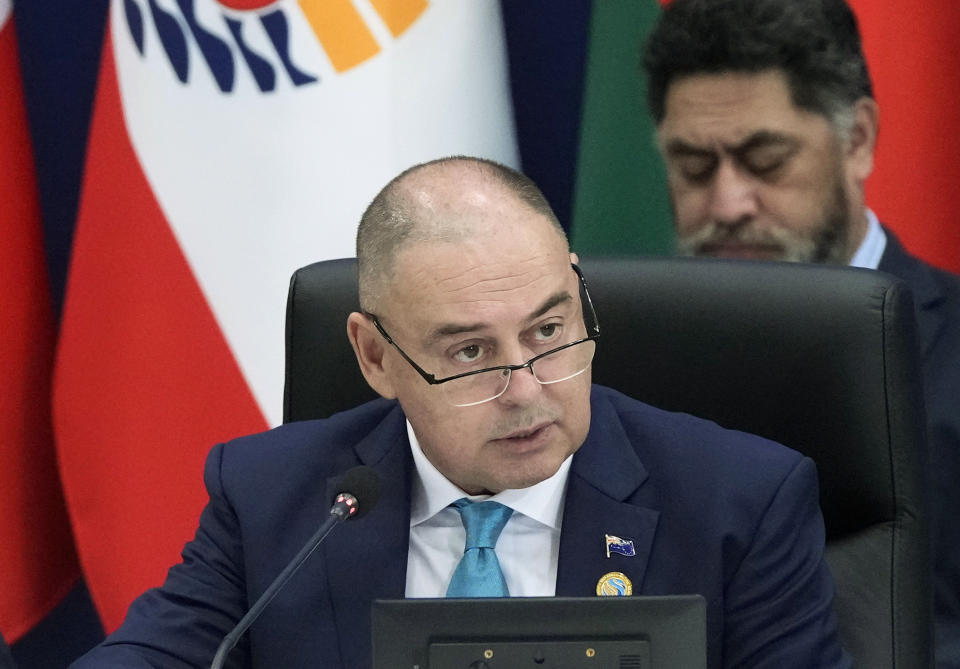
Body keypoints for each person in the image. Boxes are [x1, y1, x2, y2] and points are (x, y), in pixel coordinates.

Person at [70, 156, 849, 668]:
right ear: (375, 356)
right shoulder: (276, 497)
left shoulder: (737, 503)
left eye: (549, 330)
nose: (527, 388)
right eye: (470, 353)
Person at [642, 1, 960, 665]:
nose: (728, 204)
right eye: (694, 167)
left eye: (766, 160)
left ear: (857, 140)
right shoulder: (616, 366)